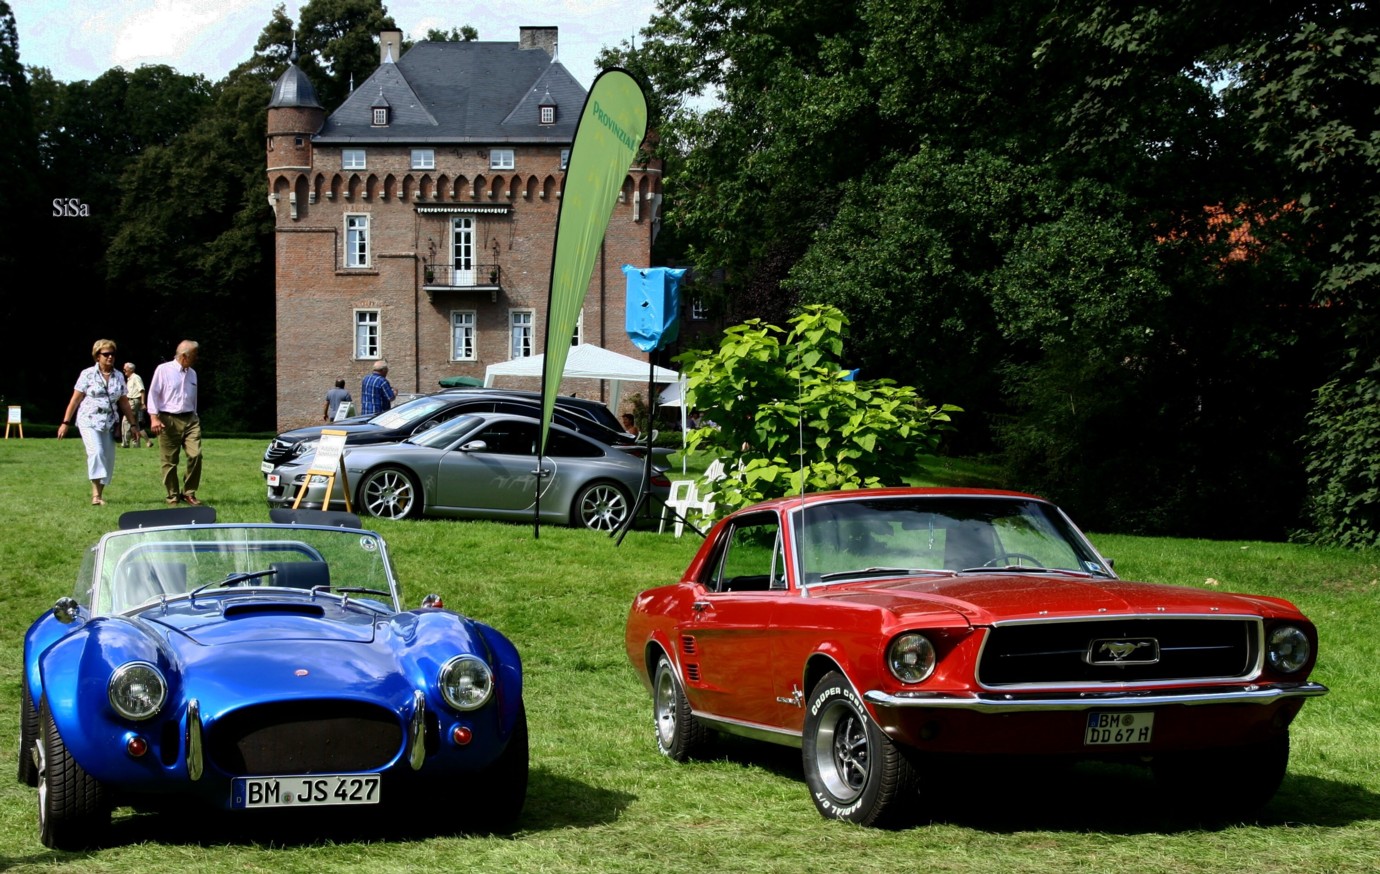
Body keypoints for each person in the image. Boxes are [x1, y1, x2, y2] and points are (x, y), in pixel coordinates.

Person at [57, 340, 142, 505]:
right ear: (97, 356)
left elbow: (124, 402)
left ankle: (99, 495)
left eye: (112, 354)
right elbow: (75, 400)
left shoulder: (118, 376)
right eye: (106, 354)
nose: (110, 357)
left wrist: (133, 424)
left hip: (110, 422)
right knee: (97, 453)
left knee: (108, 459)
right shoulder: (87, 374)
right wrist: (65, 422)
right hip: (88, 419)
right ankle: (95, 496)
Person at [146, 340, 203, 506]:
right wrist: (154, 418)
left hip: (190, 419)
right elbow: (153, 394)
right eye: (194, 355)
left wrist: (195, 415)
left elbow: (194, 397)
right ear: (184, 356)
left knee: (196, 455)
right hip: (168, 419)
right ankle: (172, 496)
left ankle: (189, 493)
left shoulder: (193, 373)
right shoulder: (163, 370)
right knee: (169, 461)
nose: (196, 358)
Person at [122, 362, 154, 447]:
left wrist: (143, 403)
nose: (124, 369)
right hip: (131, 401)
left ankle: (125, 443)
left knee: (126, 420)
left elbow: (142, 390)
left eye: (125, 368)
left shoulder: (136, 377)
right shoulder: (129, 379)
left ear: (131, 369)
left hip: (134, 401)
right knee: (135, 423)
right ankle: (138, 443)